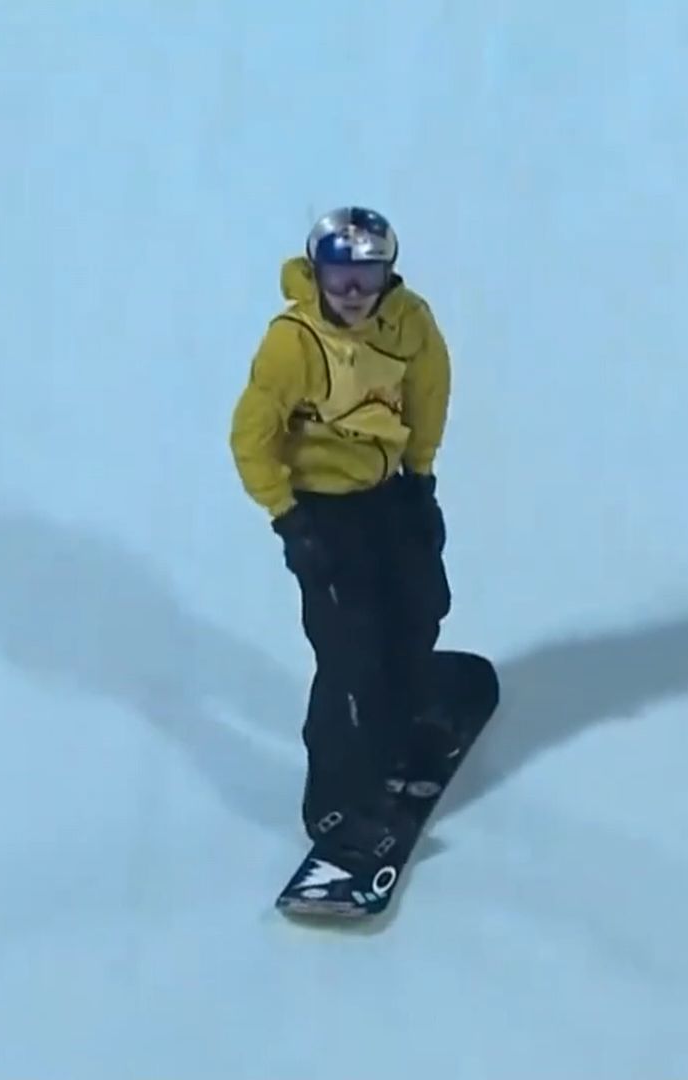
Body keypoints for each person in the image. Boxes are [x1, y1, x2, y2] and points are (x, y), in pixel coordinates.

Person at [228, 206, 460, 860]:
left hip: (386, 493)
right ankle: (335, 804)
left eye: (368, 275)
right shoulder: (293, 344)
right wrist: (288, 518)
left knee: (419, 607)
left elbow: (429, 393)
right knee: (349, 656)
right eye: (338, 276)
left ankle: (404, 728)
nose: (353, 292)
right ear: (317, 273)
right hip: (323, 509)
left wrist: (420, 477)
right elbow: (250, 437)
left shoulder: (408, 321)